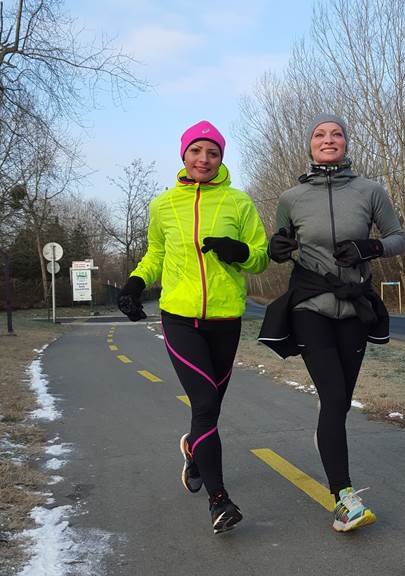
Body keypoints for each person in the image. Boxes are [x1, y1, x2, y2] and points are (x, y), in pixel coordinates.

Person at [117, 120, 269, 534]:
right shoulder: (163, 205)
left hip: (225, 318)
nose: (204, 160)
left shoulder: (239, 203)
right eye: (197, 151)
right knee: (203, 405)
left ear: (222, 159)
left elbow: (260, 257)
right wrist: (134, 283)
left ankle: (192, 451)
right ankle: (219, 501)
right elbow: (154, 255)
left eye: (213, 153)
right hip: (181, 316)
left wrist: (238, 251)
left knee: (210, 409)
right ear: (183, 155)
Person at [259, 113, 405, 532]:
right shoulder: (291, 196)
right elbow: (279, 248)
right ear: (310, 145)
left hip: (355, 308)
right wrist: (279, 247)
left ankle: (336, 473)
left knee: (338, 403)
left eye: (336, 134)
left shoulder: (370, 190)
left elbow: (398, 237)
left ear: (346, 142)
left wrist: (369, 246)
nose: (329, 139)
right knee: (333, 393)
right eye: (320, 134)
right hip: (310, 306)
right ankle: (343, 497)